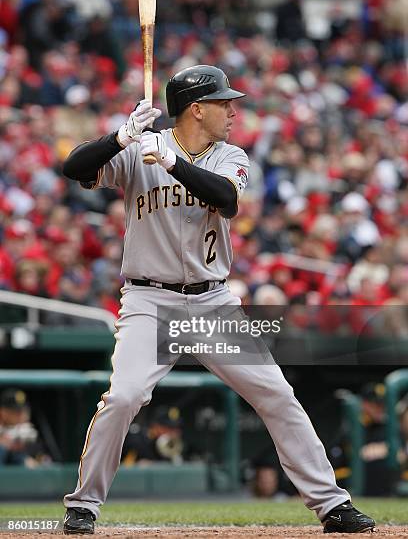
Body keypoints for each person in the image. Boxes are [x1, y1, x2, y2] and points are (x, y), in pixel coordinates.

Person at [61, 64, 375, 534]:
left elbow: (224, 199)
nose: (232, 111)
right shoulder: (138, 148)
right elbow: (73, 168)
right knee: (123, 396)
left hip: (212, 304)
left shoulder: (230, 155)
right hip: (150, 301)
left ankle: (331, 504)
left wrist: (169, 162)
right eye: (223, 103)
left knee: (276, 394)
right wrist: (120, 138)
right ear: (196, 109)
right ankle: (83, 506)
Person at [0, 389, 48, 467]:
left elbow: (45, 460)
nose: (21, 416)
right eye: (16, 412)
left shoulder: (28, 434)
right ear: (3, 412)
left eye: (23, 411)